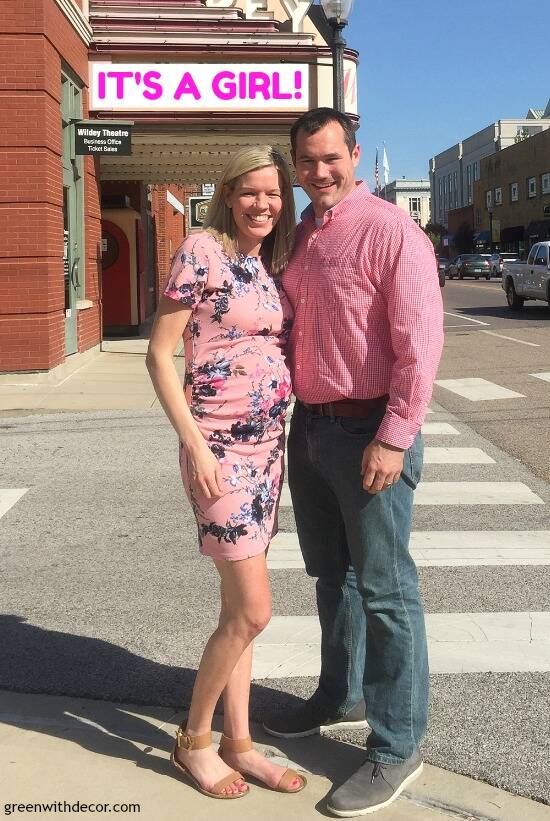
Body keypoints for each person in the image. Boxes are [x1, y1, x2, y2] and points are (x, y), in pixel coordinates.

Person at [262, 108, 444, 816]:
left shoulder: (391, 229)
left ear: (356, 155)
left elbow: (418, 343)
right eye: (307, 162)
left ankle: (396, 744)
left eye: (331, 158)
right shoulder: (301, 235)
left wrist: (395, 435)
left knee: (386, 588)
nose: (319, 173)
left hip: (370, 427)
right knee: (329, 575)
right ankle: (338, 692)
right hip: (310, 429)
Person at [146, 145, 306, 800]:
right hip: (218, 451)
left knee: (238, 608)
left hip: (270, 451)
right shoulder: (201, 250)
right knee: (254, 610)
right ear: (229, 192)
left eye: (273, 193)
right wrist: (197, 445)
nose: (263, 203)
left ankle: (240, 741)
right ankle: (195, 741)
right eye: (251, 192)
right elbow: (159, 355)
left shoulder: (266, 264)